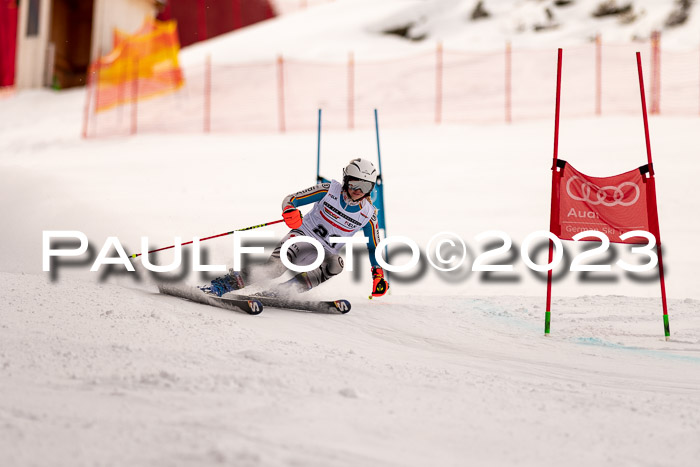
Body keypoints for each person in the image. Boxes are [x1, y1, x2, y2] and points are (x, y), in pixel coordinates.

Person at [205, 158, 389, 298]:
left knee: (336, 264)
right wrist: (290, 211)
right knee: (274, 269)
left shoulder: (368, 214)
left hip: (323, 253)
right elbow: (291, 199)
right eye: (354, 183)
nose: (358, 190)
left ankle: (283, 293)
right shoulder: (328, 190)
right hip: (302, 237)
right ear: (345, 180)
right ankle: (225, 284)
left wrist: (378, 275)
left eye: (365, 186)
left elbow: (374, 247)